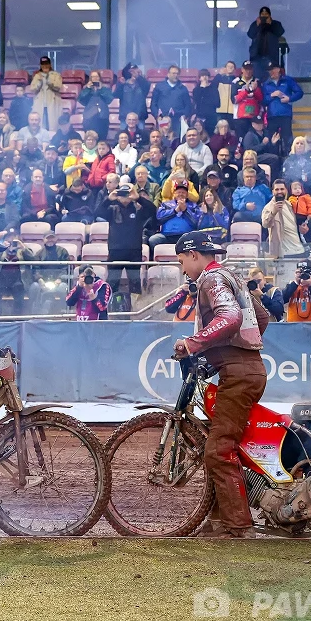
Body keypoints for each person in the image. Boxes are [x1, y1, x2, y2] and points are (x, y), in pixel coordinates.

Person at [172, 230, 270, 538]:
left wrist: (193, 343)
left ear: (193, 255)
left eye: (181, 261)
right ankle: (217, 521)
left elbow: (229, 317)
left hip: (239, 373)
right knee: (217, 445)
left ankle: (238, 527)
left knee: (218, 449)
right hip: (245, 370)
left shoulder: (211, 279)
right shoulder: (231, 277)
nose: (182, 269)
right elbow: (262, 317)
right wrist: (239, 347)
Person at [99, 182, 156, 306]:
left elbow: (152, 210)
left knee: (135, 283)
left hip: (134, 251)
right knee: (112, 282)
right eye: (122, 194)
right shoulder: (112, 209)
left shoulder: (138, 209)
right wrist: (108, 199)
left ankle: (135, 308)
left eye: (127, 194)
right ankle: (109, 307)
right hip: (115, 251)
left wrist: (138, 198)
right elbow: (97, 212)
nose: (125, 196)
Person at [261, 65, 303, 155]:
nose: (270, 72)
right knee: (273, 140)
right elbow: (262, 100)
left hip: (285, 115)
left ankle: (289, 158)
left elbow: (299, 92)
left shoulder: (287, 80)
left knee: (287, 140)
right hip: (272, 116)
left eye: (272, 70)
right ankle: (274, 158)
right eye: (269, 70)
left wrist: (289, 98)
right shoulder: (266, 84)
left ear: (278, 69)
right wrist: (272, 95)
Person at [262, 179, 306, 259]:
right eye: (277, 189)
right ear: (273, 192)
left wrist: (302, 229)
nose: (279, 191)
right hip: (283, 253)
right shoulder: (268, 207)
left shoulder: (290, 205)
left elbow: (293, 225)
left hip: (299, 250)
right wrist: (273, 212)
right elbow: (265, 224)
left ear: (286, 190)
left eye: (282, 189)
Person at [150, 182, 200, 248]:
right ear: (174, 194)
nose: (181, 194)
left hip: (186, 236)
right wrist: (175, 211)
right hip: (167, 236)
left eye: (183, 192)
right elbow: (159, 219)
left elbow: (196, 223)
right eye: (178, 192)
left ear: (187, 195)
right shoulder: (166, 205)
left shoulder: (193, 206)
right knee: (153, 240)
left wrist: (185, 210)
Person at [247, 7, 285, 81]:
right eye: (262, 14)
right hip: (257, 58)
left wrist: (270, 24)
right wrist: (257, 25)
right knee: (257, 78)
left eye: (266, 14)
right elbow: (250, 34)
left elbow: (280, 32)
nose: (264, 16)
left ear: (269, 15)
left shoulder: (275, 24)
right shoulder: (255, 24)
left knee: (272, 78)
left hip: (272, 57)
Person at [150, 65, 192, 129]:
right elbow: (153, 104)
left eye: (177, 73)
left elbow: (188, 105)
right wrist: (157, 116)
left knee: (176, 135)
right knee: (163, 135)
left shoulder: (183, 89)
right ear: (168, 74)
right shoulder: (159, 86)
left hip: (178, 120)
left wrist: (185, 115)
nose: (176, 75)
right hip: (163, 119)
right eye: (174, 73)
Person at [29, 56, 63, 131]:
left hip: (53, 103)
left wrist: (49, 80)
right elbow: (32, 89)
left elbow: (58, 86)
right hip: (40, 104)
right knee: (41, 123)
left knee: (52, 124)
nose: (45, 66)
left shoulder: (56, 75)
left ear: (50, 64)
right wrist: (39, 82)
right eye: (43, 64)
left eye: (46, 64)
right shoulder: (37, 75)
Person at [78, 71, 113, 140]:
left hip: (102, 117)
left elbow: (109, 99)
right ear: (90, 78)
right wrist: (87, 89)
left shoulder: (105, 88)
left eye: (96, 76)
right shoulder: (86, 88)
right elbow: (81, 100)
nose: (95, 78)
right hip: (89, 118)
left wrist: (101, 89)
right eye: (93, 77)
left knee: (102, 139)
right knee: (90, 138)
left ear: (100, 78)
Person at [114, 63, 149, 128]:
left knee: (140, 134)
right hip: (125, 117)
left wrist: (138, 77)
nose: (133, 73)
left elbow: (147, 87)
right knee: (123, 134)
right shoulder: (122, 84)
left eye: (134, 71)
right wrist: (121, 84)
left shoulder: (142, 84)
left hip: (140, 117)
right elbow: (116, 95)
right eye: (131, 71)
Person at [288, 180, 311, 246]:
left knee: (304, 232)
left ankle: (306, 245)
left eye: (299, 188)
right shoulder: (290, 198)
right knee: (296, 232)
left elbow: (310, 206)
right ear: (291, 191)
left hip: (304, 217)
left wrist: (310, 213)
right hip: (294, 217)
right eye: (295, 189)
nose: (297, 190)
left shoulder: (306, 197)